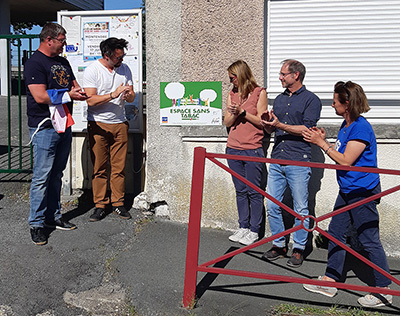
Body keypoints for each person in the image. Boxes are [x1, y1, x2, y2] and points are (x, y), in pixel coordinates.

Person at [302, 81, 392, 307]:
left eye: (335, 101)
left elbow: (346, 160)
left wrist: (322, 144)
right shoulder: (347, 125)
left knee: (368, 239)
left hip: (362, 191)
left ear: (347, 103)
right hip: (348, 190)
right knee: (336, 233)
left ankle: (384, 291)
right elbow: (342, 150)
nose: (332, 104)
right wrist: (327, 140)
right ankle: (330, 281)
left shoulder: (361, 127)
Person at [24, 22, 89, 245]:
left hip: (64, 124)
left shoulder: (62, 61)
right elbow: (40, 96)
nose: (64, 44)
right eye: (62, 40)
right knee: (42, 177)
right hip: (44, 126)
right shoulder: (34, 63)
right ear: (48, 39)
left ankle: (54, 217)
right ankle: (37, 223)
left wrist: (79, 92)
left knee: (56, 175)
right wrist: (70, 95)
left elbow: (73, 85)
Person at [261, 59, 322, 267]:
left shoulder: (311, 100)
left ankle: (299, 248)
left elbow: (307, 130)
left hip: (298, 160)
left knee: (301, 208)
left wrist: (280, 124)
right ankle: (279, 244)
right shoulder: (278, 99)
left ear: (295, 75)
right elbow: (276, 129)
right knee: (272, 205)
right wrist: (269, 125)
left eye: (283, 74)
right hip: (278, 157)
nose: (280, 77)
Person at [83, 37, 135, 222]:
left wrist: (129, 95)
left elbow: (131, 96)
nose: (121, 60)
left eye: (122, 56)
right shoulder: (93, 70)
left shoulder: (125, 69)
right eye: (118, 57)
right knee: (99, 168)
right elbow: (90, 100)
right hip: (98, 123)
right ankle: (99, 205)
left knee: (119, 168)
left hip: (120, 123)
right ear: (107, 55)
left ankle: (118, 204)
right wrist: (113, 94)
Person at [224, 60, 268, 246]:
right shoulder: (232, 94)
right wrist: (234, 113)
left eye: (232, 77)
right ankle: (243, 226)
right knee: (240, 190)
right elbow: (226, 123)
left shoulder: (259, 92)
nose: (231, 81)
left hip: (252, 149)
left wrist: (242, 112)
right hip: (233, 147)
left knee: (254, 191)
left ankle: (254, 230)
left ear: (241, 74)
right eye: (229, 78)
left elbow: (262, 122)